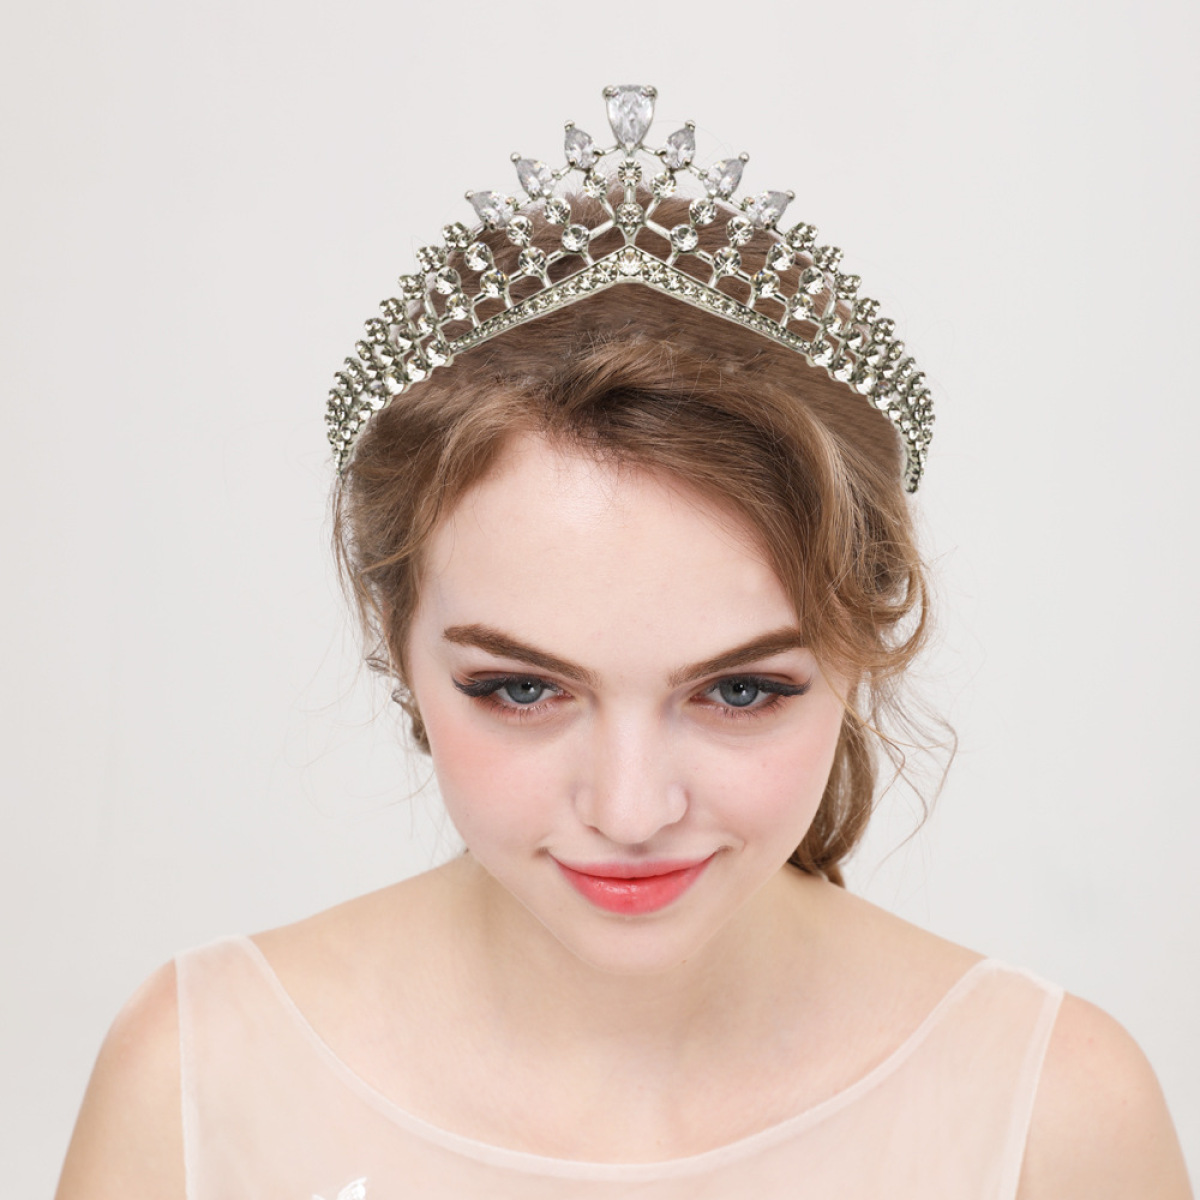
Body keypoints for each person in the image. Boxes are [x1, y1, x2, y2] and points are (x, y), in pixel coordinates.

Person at [55, 85, 1191, 1200]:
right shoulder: (198, 1081)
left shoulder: (1055, 1114)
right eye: (520, 689)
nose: (632, 811)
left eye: (739, 691)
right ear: (396, 647)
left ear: (861, 649)